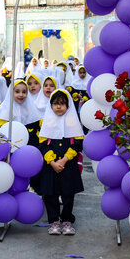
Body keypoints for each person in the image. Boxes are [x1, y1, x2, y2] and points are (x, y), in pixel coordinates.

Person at [38, 89, 84, 235]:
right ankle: (54, 221)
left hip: (68, 165)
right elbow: (43, 145)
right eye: (56, 104)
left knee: (68, 194)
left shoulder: (73, 123)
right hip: (50, 166)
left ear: (68, 106)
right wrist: (52, 162)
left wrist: (63, 160)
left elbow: (77, 144)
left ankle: (67, 220)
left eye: (62, 104)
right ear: (50, 105)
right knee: (50, 194)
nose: (59, 107)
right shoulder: (47, 123)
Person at [0, 80, 43, 148]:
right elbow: (1, 133)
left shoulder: (30, 109)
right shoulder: (6, 110)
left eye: (24, 92)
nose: (21, 95)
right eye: (17, 92)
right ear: (11, 92)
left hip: (28, 148)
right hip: (10, 147)